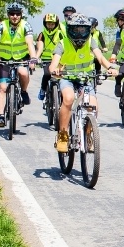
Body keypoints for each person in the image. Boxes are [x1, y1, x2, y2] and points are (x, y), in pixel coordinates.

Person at [48, 13, 111, 153]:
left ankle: (88, 134)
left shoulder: (91, 41)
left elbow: (100, 58)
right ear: (70, 29)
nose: (80, 33)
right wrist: (55, 71)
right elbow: (53, 65)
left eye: (83, 30)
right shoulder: (62, 43)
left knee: (93, 106)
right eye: (76, 29)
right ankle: (63, 135)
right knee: (69, 99)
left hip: (85, 79)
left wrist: (111, 68)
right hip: (67, 78)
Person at [0, 3, 38, 128]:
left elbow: (30, 43)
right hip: (5, 59)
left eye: (17, 14)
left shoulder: (25, 25)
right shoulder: (1, 26)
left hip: (21, 58)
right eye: (12, 14)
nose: (15, 16)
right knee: (3, 87)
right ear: (8, 15)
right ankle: (1, 116)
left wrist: (33, 58)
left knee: (23, 73)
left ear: (21, 15)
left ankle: (24, 92)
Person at [34, 13, 64, 101]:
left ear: (56, 24)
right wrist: (35, 58)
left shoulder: (60, 34)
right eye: (48, 23)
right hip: (46, 59)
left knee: (62, 78)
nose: (50, 25)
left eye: (52, 23)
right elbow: (40, 48)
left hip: (59, 59)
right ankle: (43, 90)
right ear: (45, 24)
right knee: (47, 74)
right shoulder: (42, 34)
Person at [89, 17, 108, 83]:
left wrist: (104, 47)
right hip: (88, 52)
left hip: (96, 51)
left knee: (98, 61)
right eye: (90, 27)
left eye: (93, 27)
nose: (91, 28)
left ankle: (98, 75)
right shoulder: (85, 33)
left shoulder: (98, 33)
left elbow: (101, 41)